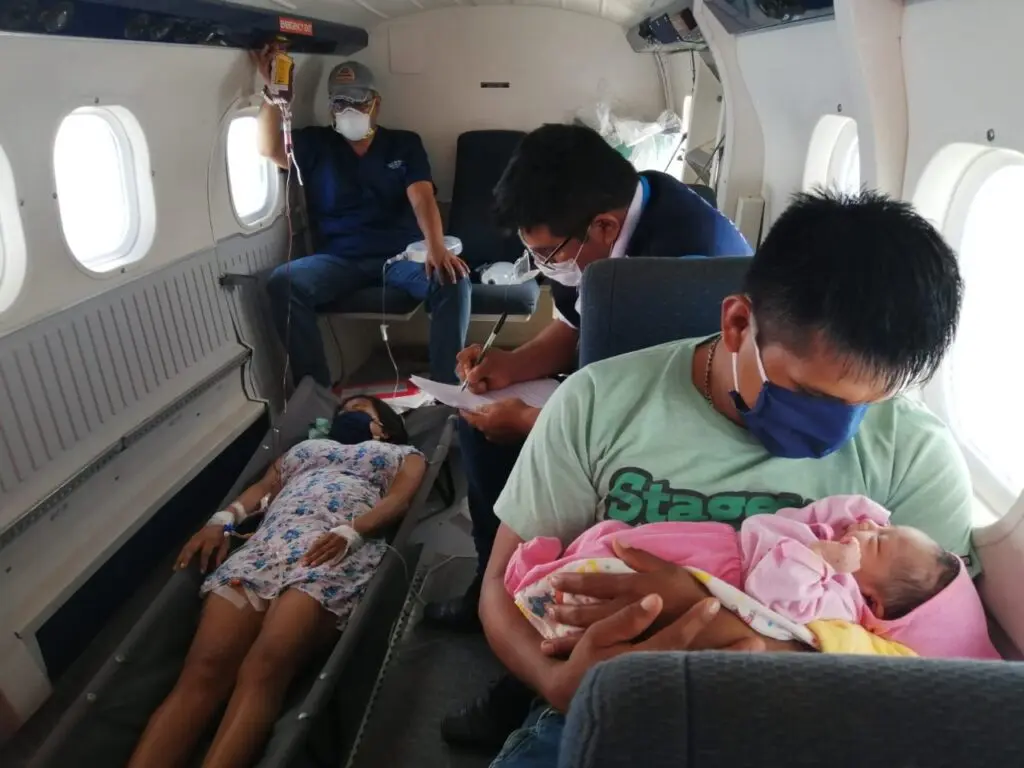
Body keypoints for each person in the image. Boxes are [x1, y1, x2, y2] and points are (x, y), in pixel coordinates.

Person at [477, 189, 975, 767]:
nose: (836, 429)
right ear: (738, 323)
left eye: (866, 403)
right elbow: (500, 589)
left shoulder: (915, 453)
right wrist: (556, 684)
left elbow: (933, 676)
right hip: (612, 702)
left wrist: (729, 628)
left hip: (811, 721)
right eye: (809, 395)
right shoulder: (597, 402)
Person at [426, 122, 753, 748]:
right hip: (610, 386)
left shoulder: (683, 264)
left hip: (683, 416)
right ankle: (492, 582)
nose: (544, 267)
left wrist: (536, 424)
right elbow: (577, 325)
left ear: (603, 227)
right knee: (480, 424)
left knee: (529, 449)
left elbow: (659, 402)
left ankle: (529, 673)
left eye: (547, 255)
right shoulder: (606, 219)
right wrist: (510, 368)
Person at [128, 396, 426, 768]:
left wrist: (353, 531)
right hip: (264, 550)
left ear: (384, 427)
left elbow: (398, 501)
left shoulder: (402, 454)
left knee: (264, 667)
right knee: (204, 671)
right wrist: (220, 521)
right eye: (343, 409)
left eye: (359, 408)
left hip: (328, 550)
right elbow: (261, 490)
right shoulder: (303, 450)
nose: (347, 412)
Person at [508, 494, 993, 657]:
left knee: (616, 563)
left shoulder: (840, 603)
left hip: (721, 571)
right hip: (717, 543)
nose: (868, 528)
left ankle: (542, 576)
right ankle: (554, 561)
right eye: (884, 527)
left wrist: (824, 559)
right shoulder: (842, 540)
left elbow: (774, 591)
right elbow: (825, 513)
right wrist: (864, 524)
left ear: (875, 601)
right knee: (616, 537)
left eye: (880, 541)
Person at [252, 48, 471, 389]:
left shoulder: (403, 144)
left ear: (376, 104)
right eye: (340, 102)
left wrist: (436, 248)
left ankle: (447, 388)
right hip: (340, 259)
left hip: (401, 256)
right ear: (331, 107)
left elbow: (422, 197)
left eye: (358, 101)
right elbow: (269, 149)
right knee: (284, 282)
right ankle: (316, 392)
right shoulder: (317, 144)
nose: (349, 110)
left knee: (453, 279)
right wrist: (273, 95)